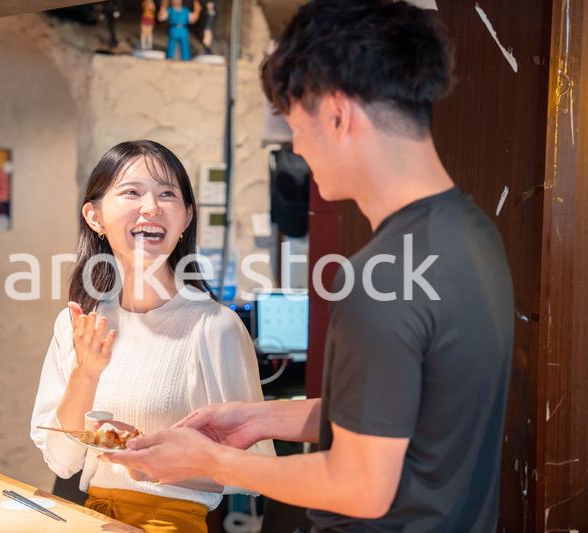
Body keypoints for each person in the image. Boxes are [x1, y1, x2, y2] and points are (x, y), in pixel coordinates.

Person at [106, 1, 514, 531]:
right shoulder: (472, 232)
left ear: (338, 114)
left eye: (296, 124)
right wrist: (258, 418)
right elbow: (410, 416)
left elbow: (360, 487)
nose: (296, 146)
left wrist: (211, 461)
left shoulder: (385, 275)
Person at [30, 140, 274, 532]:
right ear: (95, 216)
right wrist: (86, 373)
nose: (151, 207)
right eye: (131, 192)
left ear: (186, 218)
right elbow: (62, 460)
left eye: (167, 194)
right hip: (94, 521)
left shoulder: (214, 327)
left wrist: (148, 456)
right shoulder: (78, 323)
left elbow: (255, 472)